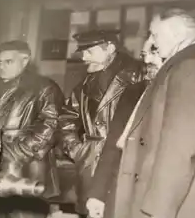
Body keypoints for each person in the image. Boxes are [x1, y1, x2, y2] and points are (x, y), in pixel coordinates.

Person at [112, 8, 195, 218]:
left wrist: (159, 210)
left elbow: (180, 147)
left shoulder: (190, 67)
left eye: (154, 34)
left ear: (175, 32)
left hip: (187, 205)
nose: (151, 42)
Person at [0, 40, 65, 218]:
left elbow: (51, 124)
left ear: (25, 60)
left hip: (28, 165)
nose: (1, 67)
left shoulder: (44, 87)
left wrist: (18, 151)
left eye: (8, 62)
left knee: (24, 213)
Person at [58, 29, 145, 216]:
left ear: (110, 48)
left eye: (89, 52)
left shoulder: (139, 75)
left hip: (124, 160)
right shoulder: (85, 82)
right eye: (82, 53)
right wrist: (76, 148)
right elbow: (67, 117)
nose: (83, 58)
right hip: (91, 162)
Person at [86, 36, 163, 218]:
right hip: (123, 189)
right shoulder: (133, 92)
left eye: (155, 52)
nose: (147, 60)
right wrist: (97, 194)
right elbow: (112, 146)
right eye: (144, 54)